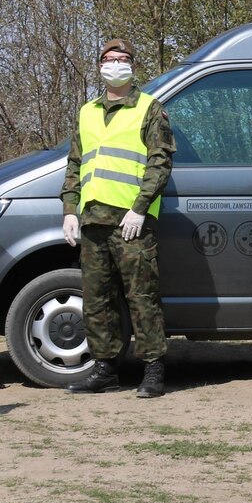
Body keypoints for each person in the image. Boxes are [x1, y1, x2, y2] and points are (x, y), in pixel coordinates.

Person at [61, 39, 175, 398]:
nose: (116, 65)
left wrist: (140, 208)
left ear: (132, 66)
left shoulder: (149, 108)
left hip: (131, 222)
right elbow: (75, 164)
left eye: (123, 59)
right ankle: (104, 369)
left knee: (141, 297)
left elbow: (160, 162)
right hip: (92, 220)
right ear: (99, 66)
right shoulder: (87, 111)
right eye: (110, 59)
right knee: (97, 299)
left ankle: (154, 370)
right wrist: (69, 209)